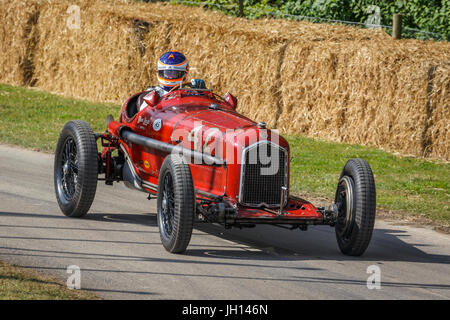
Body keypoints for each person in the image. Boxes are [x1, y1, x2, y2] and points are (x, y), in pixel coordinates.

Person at [139, 51, 206, 111]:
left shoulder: (189, 93)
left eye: (174, 74)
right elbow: (143, 114)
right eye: (167, 73)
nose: (170, 76)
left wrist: (203, 92)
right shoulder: (154, 94)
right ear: (160, 73)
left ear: (184, 73)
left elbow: (207, 107)